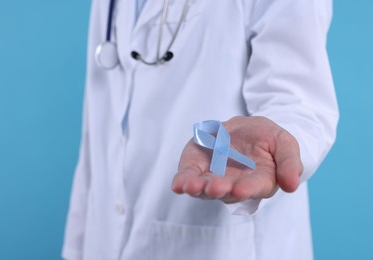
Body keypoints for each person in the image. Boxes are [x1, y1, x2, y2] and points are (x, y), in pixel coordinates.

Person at [62, 0, 339, 259]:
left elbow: (296, 99)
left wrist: (280, 137)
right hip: (103, 242)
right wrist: (77, 247)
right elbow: (97, 127)